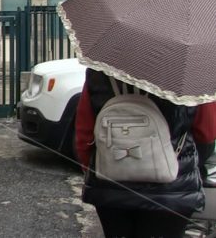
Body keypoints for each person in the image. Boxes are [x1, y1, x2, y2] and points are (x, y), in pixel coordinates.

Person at [75, 69, 216, 238]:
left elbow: (84, 132)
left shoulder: (99, 71)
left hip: (112, 183)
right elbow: (207, 132)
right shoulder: (190, 74)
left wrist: (90, 167)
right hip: (172, 190)